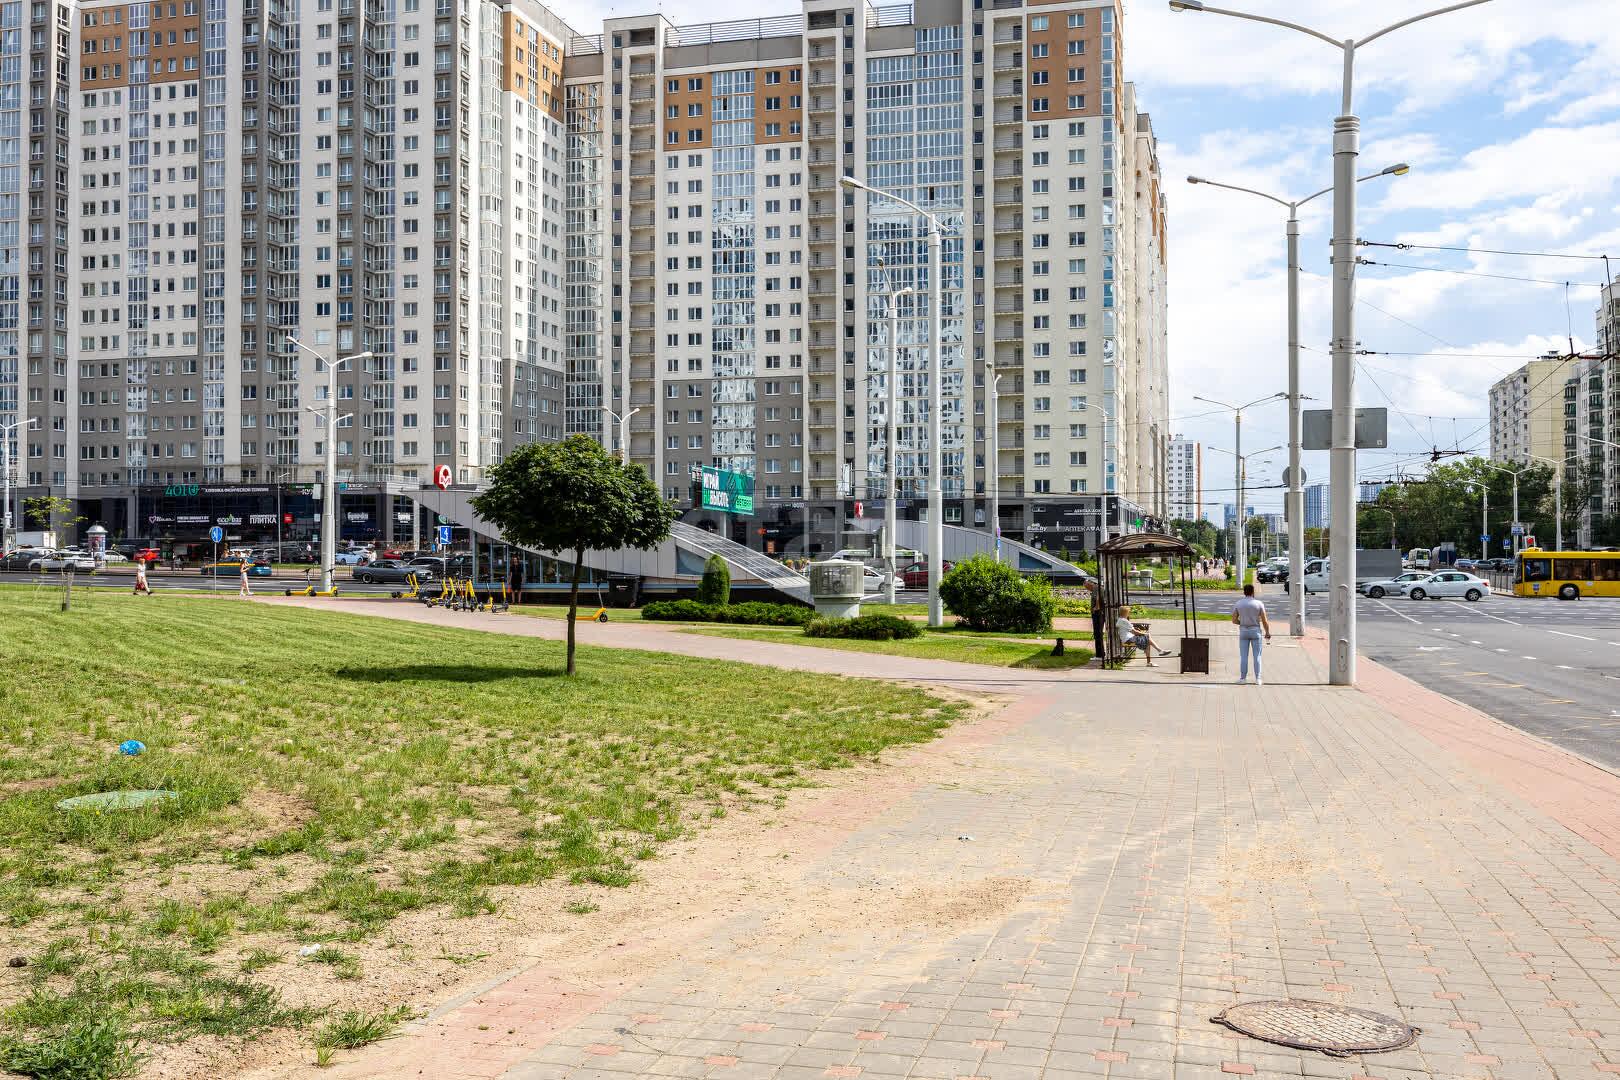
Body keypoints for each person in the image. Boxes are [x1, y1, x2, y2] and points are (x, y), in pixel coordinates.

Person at [1232, 582, 1271, 685]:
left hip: (1244, 631)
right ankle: (1258, 679)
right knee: (1257, 656)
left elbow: (1234, 620)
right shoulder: (1259, 604)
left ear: (1244, 592)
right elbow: (1264, 621)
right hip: (1256, 631)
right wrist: (1267, 632)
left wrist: (1242, 622)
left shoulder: (1239, 603)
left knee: (1243, 656)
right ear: (1253, 592)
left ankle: (1243, 678)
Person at [1085, 579, 1106, 655]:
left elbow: (1098, 599)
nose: (1088, 589)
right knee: (1097, 633)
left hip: (1098, 613)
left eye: (1087, 587)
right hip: (1098, 613)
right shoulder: (1096, 588)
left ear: (1090, 584)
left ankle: (1100, 653)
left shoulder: (1097, 588)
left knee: (1098, 633)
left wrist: (1096, 607)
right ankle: (1099, 652)